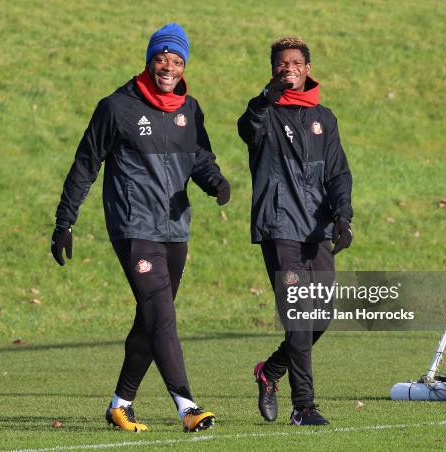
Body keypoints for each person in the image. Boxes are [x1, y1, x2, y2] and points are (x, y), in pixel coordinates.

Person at [51, 23, 230, 433]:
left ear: (185, 66)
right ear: (149, 60)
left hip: (175, 229)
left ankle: (120, 404)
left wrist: (215, 182)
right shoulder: (116, 107)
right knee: (162, 317)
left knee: (151, 320)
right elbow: (84, 164)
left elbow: (199, 156)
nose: (169, 67)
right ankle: (187, 406)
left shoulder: (190, 109)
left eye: (177, 60)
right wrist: (65, 221)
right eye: (162, 58)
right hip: (133, 227)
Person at [237, 37, 353, 426]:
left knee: (321, 318)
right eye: (282, 62)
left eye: (295, 62)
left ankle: (270, 371)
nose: (289, 67)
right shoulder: (265, 114)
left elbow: (337, 173)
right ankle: (303, 407)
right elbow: (246, 128)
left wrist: (343, 216)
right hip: (279, 226)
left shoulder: (326, 118)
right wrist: (263, 100)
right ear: (273, 69)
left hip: (317, 228)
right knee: (299, 319)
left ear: (307, 68)